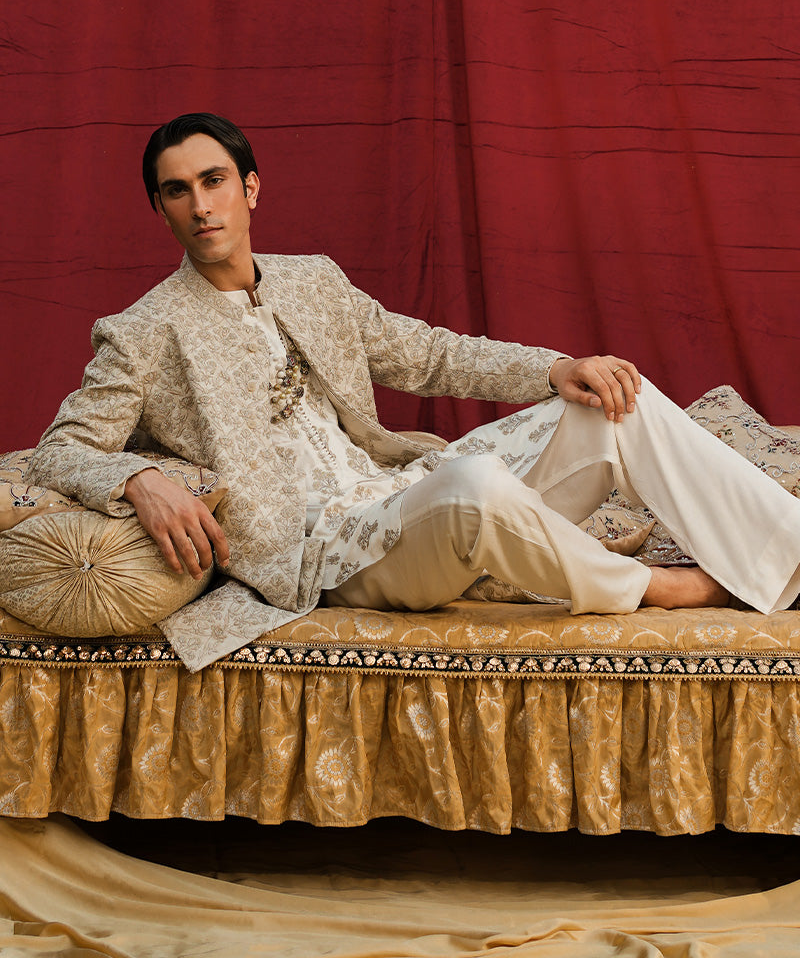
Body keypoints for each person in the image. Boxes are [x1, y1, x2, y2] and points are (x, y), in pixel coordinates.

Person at [28, 114, 800, 671]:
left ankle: (786, 554)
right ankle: (658, 588)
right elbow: (62, 450)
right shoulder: (142, 331)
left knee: (612, 400)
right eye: (176, 191)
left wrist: (556, 367)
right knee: (476, 484)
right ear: (159, 209)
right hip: (328, 553)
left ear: (250, 188)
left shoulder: (313, 281)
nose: (200, 205)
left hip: (402, 491)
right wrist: (139, 476)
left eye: (214, 181)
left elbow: (430, 356)